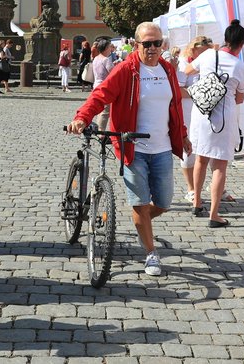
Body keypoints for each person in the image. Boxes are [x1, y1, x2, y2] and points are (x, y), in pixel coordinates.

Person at [68, 21, 191, 276]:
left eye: (158, 43)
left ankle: (139, 221)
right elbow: (100, 95)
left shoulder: (167, 70)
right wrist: (82, 117)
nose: (153, 48)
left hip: (162, 147)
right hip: (132, 146)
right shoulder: (127, 70)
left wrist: (183, 135)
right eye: (147, 44)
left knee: (165, 202)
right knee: (140, 205)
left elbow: (175, 107)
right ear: (136, 44)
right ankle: (150, 253)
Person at [191, 20, 244, 228]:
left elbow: (188, 69)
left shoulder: (207, 55)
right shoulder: (240, 66)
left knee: (201, 159)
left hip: (202, 113)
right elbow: (240, 98)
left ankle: (196, 202)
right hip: (223, 117)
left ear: (225, 39)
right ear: (241, 43)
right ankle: (214, 215)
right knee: (220, 165)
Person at [176, 36, 212, 202]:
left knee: (209, 148)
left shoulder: (209, 62)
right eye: (202, 52)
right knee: (189, 150)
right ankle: (191, 189)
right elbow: (179, 90)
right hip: (188, 111)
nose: (205, 55)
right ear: (194, 49)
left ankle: (213, 185)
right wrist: (200, 92)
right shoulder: (184, 63)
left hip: (205, 110)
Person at [89, 38, 116, 130]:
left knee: (100, 109)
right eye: (109, 47)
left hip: (96, 85)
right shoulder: (106, 60)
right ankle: (101, 132)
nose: (111, 49)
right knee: (105, 111)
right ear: (105, 48)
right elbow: (113, 73)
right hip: (104, 86)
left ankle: (98, 128)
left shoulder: (96, 58)